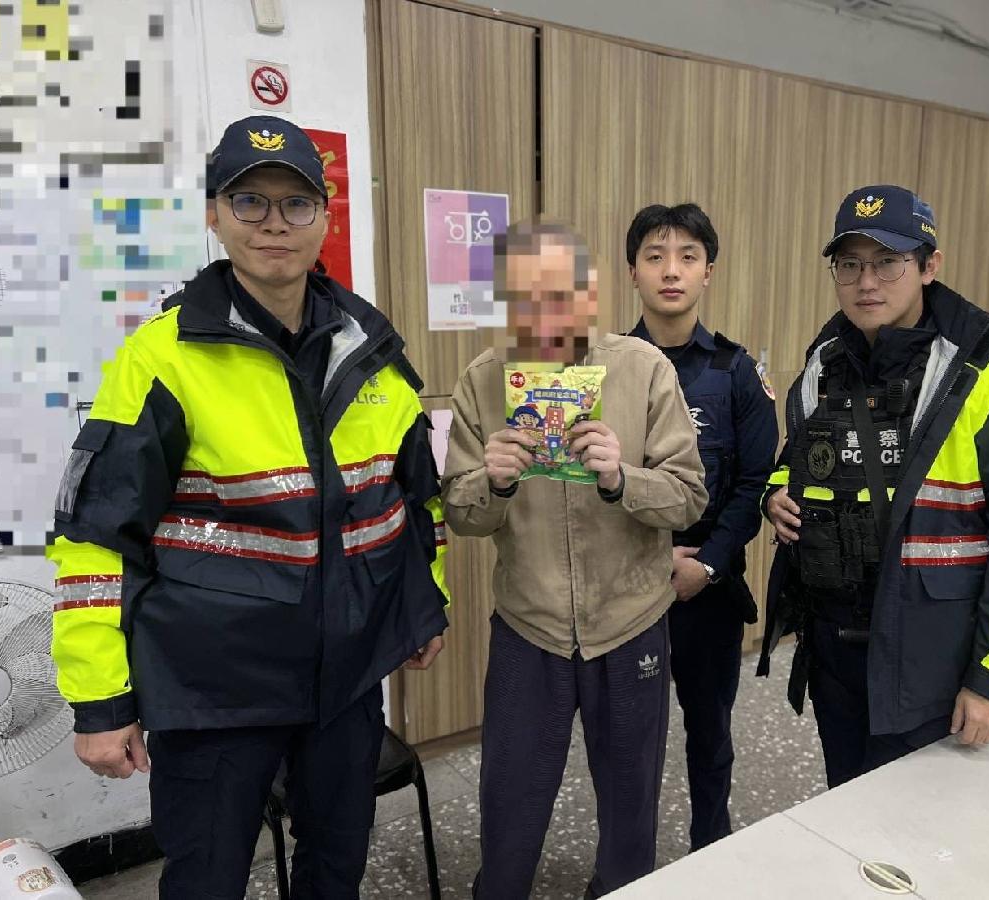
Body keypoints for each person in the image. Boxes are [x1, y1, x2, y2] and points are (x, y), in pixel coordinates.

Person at [46, 115, 449, 897]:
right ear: (214, 214)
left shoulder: (369, 346)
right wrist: (99, 700)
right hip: (214, 689)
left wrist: (424, 604)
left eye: (295, 203)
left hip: (346, 680)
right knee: (207, 881)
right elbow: (95, 537)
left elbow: (412, 499)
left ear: (324, 217)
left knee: (336, 869)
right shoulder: (163, 357)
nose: (273, 223)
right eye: (248, 201)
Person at [758, 185, 989, 789]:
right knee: (847, 801)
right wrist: (775, 492)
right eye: (849, 264)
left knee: (927, 822)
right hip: (834, 647)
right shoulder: (823, 363)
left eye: (888, 262)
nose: (866, 282)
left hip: (936, 658)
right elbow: (801, 457)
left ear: (930, 266)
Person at [442, 219, 707, 899]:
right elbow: (462, 516)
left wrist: (622, 478)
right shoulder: (483, 380)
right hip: (528, 626)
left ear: (590, 291)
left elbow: (688, 498)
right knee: (508, 805)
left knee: (631, 803)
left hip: (630, 621)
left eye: (561, 290)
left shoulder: (643, 368)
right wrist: (493, 481)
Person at [623, 203, 777, 850]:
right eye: (655, 256)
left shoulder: (736, 373)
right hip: (627, 591)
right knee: (625, 742)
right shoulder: (602, 370)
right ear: (633, 271)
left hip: (707, 591)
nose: (671, 271)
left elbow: (754, 483)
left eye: (688, 257)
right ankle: (625, 864)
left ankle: (711, 852)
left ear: (708, 271)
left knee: (709, 736)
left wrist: (707, 564)